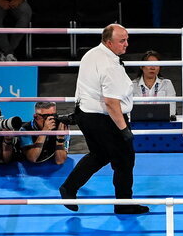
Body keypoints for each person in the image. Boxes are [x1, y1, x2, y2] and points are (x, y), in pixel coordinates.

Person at [59, 24, 147, 215]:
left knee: (99, 154)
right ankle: (124, 205)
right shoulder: (109, 66)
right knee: (124, 160)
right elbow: (111, 103)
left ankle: (69, 187)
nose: (126, 44)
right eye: (122, 41)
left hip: (86, 114)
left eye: (127, 39)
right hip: (105, 118)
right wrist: (124, 130)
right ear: (108, 42)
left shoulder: (91, 54)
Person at [133, 50, 177, 117]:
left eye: (156, 64)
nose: (152, 68)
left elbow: (172, 111)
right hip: (138, 124)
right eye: (149, 64)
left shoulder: (167, 84)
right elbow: (128, 112)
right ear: (141, 66)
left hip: (162, 123)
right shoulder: (132, 85)